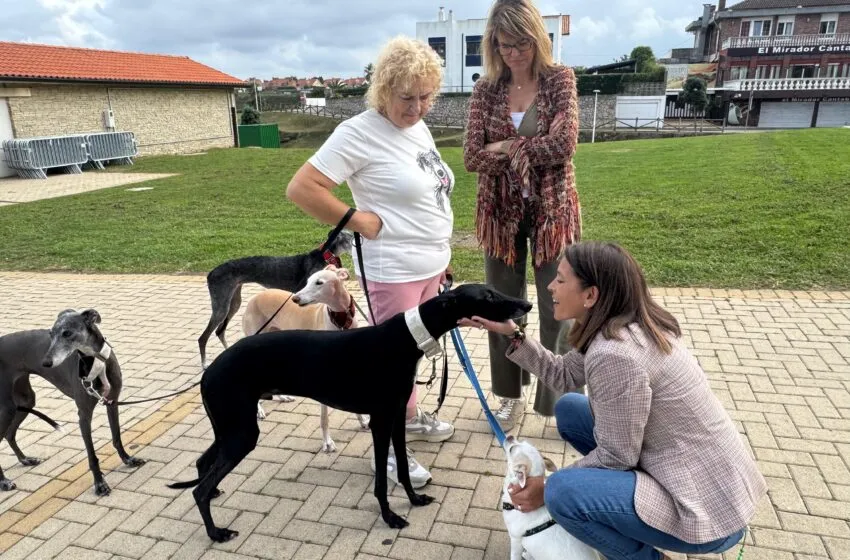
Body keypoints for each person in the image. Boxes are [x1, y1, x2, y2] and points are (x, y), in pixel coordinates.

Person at [460, 242, 767, 560]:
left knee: (563, 494)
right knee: (569, 409)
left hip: (703, 511)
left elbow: (617, 455)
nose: (551, 286)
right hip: (696, 477)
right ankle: (617, 508)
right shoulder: (618, 324)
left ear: (591, 295)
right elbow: (563, 375)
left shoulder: (615, 356)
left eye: (561, 280)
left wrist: (546, 489)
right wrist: (512, 332)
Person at [286, 36, 455, 488]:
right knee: (390, 369)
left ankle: (410, 419)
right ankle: (392, 453)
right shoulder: (358, 133)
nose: (417, 107)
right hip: (393, 271)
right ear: (384, 89)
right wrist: (357, 220)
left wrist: (441, 256)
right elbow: (302, 188)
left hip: (429, 266)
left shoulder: (417, 127)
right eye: (407, 97)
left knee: (413, 357)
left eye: (426, 97)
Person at [463, 0, 581, 430]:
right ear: (493, 44)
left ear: (538, 40)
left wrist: (507, 146)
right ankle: (509, 395)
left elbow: (564, 145)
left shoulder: (560, 80)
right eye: (504, 44)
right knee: (500, 306)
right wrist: (528, 149)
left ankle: (560, 403)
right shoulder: (486, 90)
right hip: (498, 215)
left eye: (522, 44)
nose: (513, 53)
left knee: (560, 307)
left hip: (553, 213)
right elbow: (472, 157)